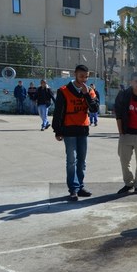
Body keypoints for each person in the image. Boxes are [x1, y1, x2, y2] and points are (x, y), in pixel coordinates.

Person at [52, 65, 99, 201]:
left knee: (82, 161)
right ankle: (73, 189)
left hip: (83, 129)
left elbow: (94, 109)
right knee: (71, 160)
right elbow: (58, 112)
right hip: (69, 130)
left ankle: (80, 186)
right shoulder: (64, 91)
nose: (84, 79)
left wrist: (86, 94)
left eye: (86, 76)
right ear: (75, 75)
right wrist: (57, 130)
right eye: (81, 76)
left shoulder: (89, 91)